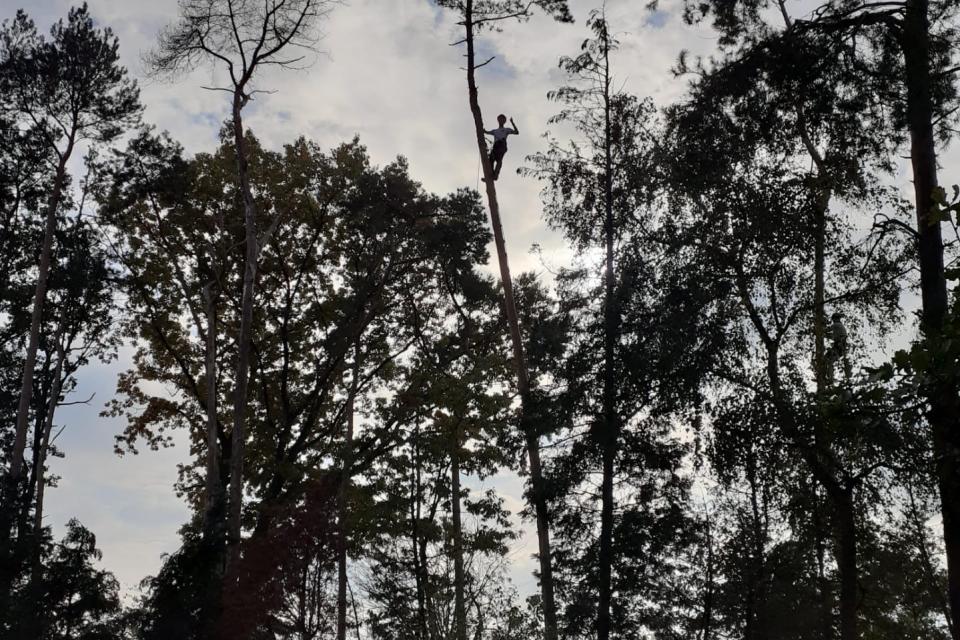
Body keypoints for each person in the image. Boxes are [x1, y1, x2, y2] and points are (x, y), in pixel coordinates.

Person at [484, 114, 519, 181]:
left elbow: (517, 132)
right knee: (490, 159)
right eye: (499, 119)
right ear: (498, 120)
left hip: (502, 144)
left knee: (499, 160)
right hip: (495, 146)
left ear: (504, 121)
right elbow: (486, 132)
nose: (501, 120)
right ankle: (491, 175)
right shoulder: (494, 131)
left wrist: (512, 123)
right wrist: (483, 130)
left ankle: (495, 175)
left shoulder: (506, 130)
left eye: (502, 119)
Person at [825, 312, 852, 383]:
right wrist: (825, 335)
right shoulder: (840, 327)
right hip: (841, 347)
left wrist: (817, 330)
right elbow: (832, 336)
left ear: (835, 319)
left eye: (833, 319)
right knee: (829, 360)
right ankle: (829, 377)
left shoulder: (836, 325)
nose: (833, 321)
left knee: (828, 360)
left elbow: (827, 331)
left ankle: (829, 378)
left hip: (839, 346)